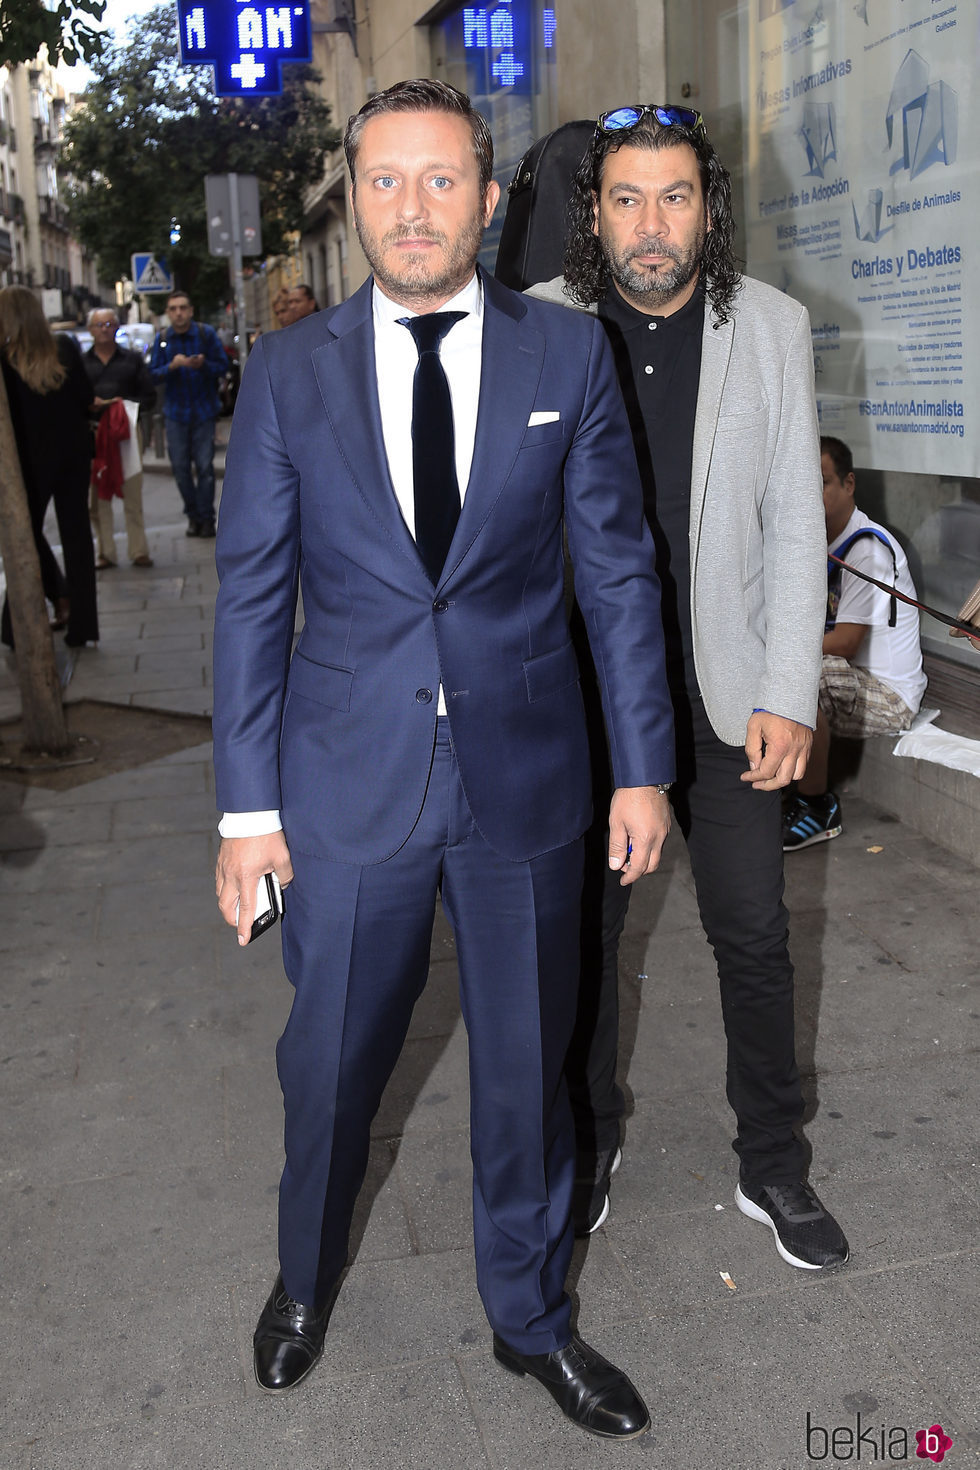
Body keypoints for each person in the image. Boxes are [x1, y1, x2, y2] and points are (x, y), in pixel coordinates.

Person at [212, 79, 675, 1439]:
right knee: (331, 1067)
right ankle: (305, 1278)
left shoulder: (565, 359)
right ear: (354, 198)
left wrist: (640, 766)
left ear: (487, 194)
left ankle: (531, 1317)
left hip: (525, 776)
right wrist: (247, 813)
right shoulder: (291, 372)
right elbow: (250, 594)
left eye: (440, 179)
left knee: (529, 1067)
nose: (411, 208)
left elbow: (618, 574)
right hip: (342, 782)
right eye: (383, 181)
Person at [529, 105, 849, 1269]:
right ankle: (588, 1146)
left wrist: (788, 691)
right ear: (593, 213)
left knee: (753, 934)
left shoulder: (767, 327)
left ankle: (771, 1163)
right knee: (582, 938)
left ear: (706, 209)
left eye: (673, 197)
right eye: (625, 198)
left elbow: (784, 528)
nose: (649, 224)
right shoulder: (541, 328)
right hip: (584, 703)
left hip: (725, 698)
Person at [782, 436, 927, 850]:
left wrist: (782, 651)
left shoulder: (867, 548)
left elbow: (845, 642)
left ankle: (818, 807)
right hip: (853, 680)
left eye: (824, 482)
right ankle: (787, 791)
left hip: (889, 694)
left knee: (801, 680)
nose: (815, 493)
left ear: (849, 484)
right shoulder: (816, 542)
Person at [0, 285, 98, 649]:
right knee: (77, 537)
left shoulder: (5, 360)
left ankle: (17, 623)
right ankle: (83, 625)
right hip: (73, 455)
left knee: (24, 535)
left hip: (28, 460)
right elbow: (86, 398)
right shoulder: (66, 349)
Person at [149, 290, 227, 538]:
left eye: (183, 308)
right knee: (181, 468)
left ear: (191, 311)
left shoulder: (206, 334)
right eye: (173, 309)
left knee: (204, 467)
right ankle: (193, 515)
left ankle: (206, 520)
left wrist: (203, 364)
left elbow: (223, 366)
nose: (178, 313)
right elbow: (152, 374)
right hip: (175, 414)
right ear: (168, 313)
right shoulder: (162, 339)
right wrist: (172, 366)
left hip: (203, 411)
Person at [83, 308, 157, 569]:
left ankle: (138, 550)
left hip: (126, 432)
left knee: (132, 492)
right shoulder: (81, 363)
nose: (104, 328)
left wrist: (121, 404)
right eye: (98, 324)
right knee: (98, 495)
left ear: (116, 328)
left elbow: (149, 396)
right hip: (94, 435)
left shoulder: (132, 360)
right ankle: (106, 551)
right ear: (91, 330)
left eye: (109, 324)